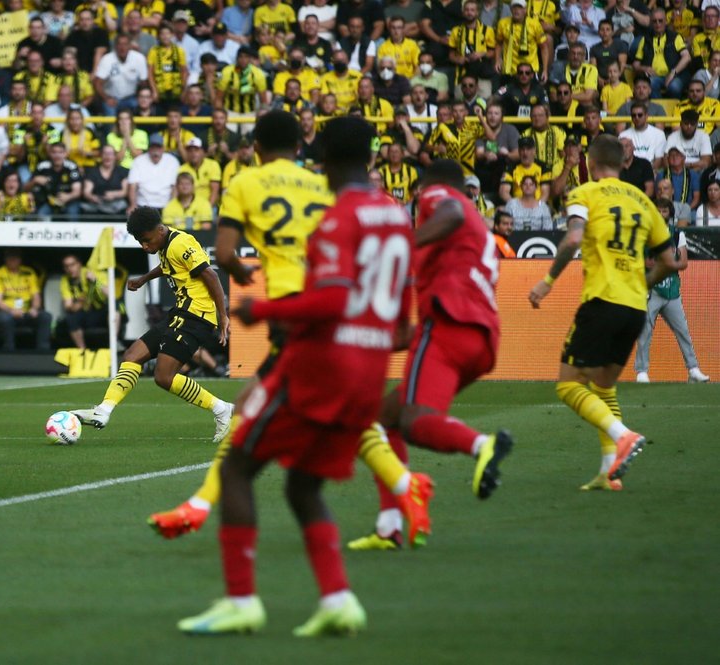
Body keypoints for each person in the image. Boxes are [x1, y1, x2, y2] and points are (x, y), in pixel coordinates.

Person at [175, 117, 415, 636]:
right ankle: (338, 598)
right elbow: (403, 327)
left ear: (325, 161)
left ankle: (241, 601)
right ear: (373, 158)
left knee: (238, 465)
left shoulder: (337, 218)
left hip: (320, 360)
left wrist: (261, 311)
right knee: (303, 487)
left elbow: (331, 297)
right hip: (371, 370)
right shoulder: (396, 216)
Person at [348, 159, 512, 551]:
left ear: (426, 187)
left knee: (415, 421)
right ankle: (390, 525)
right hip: (479, 339)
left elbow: (450, 211)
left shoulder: (443, 199)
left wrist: (404, 243)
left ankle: (481, 445)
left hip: (448, 324)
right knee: (382, 418)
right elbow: (404, 334)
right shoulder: (469, 238)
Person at [528, 135, 680, 490]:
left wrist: (548, 281)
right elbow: (671, 261)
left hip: (601, 302)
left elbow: (572, 239)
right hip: (634, 307)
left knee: (569, 386)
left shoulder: (585, 193)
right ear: (623, 163)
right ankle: (609, 473)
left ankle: (623, 435)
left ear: (591, 164)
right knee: (604, 387)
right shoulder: (644, 200)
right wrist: (642, 282)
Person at [71, 207, 233, 443]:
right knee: (132, 355)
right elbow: (168, 267)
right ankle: (103, 411)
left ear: (159, 230)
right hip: (179, 312)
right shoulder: (165, 245)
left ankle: (221, 409)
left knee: (164, 377)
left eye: (146, 240)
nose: (144, 246)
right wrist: (144, 279)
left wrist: (223, 316)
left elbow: (211, 275)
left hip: (196, 316)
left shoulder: (181, 243)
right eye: (139, 242)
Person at [634, 222, 709, 384]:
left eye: (665, 211)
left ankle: (693, 369)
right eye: (659, 211)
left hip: (672, 290)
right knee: (645, 331)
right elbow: (642, 262)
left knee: (683, 330)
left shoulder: (676, 234)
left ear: (670, 214)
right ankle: (641, 371)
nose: (661, 214)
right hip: (651, 290)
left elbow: (683, 263)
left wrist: (666, 264)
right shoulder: (646, 234)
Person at [0, 249, 52, 352]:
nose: (13, 260)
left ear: (20, 259)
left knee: (45, 316)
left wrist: (34, 308)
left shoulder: (28, 272)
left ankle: (43, 352)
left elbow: (36, 295)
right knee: (4, 319)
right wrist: (12, 311)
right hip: (8, 312)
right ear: (5, 259)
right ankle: (8, 351)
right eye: (10, 258)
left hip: (27, 311)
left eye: (15, 258)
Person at [60, 254, 110, 350]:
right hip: (85, 313)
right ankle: (82, 351)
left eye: (72, 265)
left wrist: (95, 281)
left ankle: (114, 344)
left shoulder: (91, 273)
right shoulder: (65, 280)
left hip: (101, 310)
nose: (70, 269)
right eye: (66, 266)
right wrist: (80, 303)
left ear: (79, 264)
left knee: (114, 311)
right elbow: (68, 306)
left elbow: (110, 294)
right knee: (70, 318)